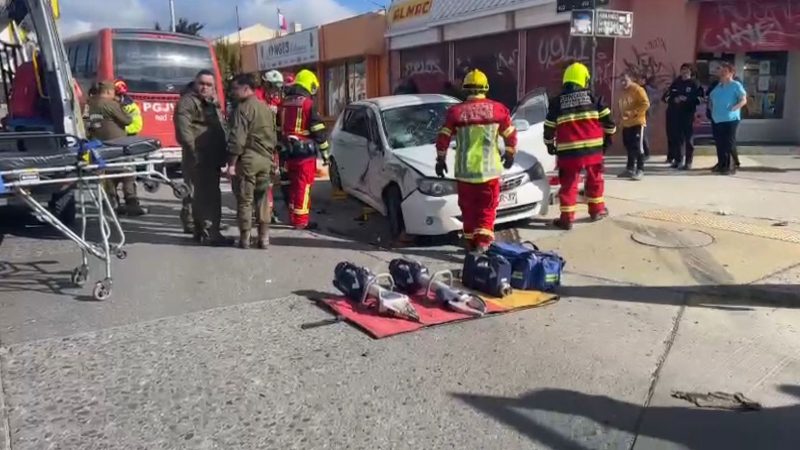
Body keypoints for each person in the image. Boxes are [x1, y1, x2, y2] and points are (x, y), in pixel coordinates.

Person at [435, 69, 517, 253]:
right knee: (487, 208)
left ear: (465, 89)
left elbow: (443, 137)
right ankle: (482, 242)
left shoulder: (455, 112)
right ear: (486, 88)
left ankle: (472, 242)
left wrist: (440, 159)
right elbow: (510, 134)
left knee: (468, 209)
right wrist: (510, 153)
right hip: (489, 172)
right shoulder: (498, 109)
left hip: (465, 172)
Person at [544, 62, 616, 230]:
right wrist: (608, 139)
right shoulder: (593, 98)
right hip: (593, 150)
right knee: (595, 179)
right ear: (584, 79)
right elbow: (610, 123)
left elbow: (549, 127)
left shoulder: (557, 102)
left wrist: (549, 144)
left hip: (568, 152)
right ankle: (596, 210)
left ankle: (567, 219)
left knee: (569, 184)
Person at [174, 69, 231, 245]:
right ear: (195, 83)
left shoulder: (211, 103)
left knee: (202, 194)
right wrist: (194, 153)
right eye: (202, 84)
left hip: (211, 155)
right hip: (199, 155)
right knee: (208, 195)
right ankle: (211, 233)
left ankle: (201, 230)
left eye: (209, 85)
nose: (205, 88)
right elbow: (184, 131)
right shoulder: (187, 102)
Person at [226, 74, 278, 249]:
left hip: (248, 158)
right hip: (265, 159)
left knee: (245, 199)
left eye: (235, 88)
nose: (233, 92)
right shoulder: (265, 108)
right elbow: (273, 135)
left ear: (246, 88)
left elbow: (237, 139)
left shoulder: (242, 109)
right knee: (262, 198)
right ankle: (264, 238)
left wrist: (232, 164)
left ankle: (245, 239)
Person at [278, 69, 329, 230]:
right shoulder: (308, 104)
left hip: (286, 151)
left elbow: (279, 127)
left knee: (292, 185)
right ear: (310, 85)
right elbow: (318, 130)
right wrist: (326, 153)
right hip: (304, 153)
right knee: (303, 186)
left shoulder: (284, 102)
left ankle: (294, 216)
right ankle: (301, 221)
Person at [105, 79, 146, 216]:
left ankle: (131, 203)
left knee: (128, 174)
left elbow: (137, 125)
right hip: (112, 143)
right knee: (109, 174)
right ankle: (112, 202)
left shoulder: (131, 107)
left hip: (126, 143)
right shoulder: (108, 105)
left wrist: (119, 130)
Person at [708, 62, 747, 175]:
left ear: (731, 73)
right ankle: (721, 164)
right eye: (722, 71)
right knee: (719, 142)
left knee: (728, 143)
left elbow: (743, 100)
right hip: (717, 118)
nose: (722, 73)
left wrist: (735, 107)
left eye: (725, 71)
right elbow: (711, 98)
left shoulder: (736, 85)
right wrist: (710, 107)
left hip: (730, 118)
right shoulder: (718, 86)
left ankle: (730, 166)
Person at [663, 64, 704, 170]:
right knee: (676, 138)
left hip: (687, 114)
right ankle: (678, 160)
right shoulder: (676, 83)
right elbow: (665, 97)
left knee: (688, 139)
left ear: (691, 72)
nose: (684, 73)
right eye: (682, 70)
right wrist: (674, 99)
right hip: (674, 114)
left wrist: (687, 99)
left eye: (686, 71)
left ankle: (688, 162)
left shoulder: (695, 83)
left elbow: (700, 99)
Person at [617, 73, 650, 180]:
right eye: (621, 81)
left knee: (638, 147)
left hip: (637, 123)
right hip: (627, 124)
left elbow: (646, 104)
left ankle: (640, 170)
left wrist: (633, 112)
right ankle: (630, 169)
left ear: (631, 80)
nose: (623, 83)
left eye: (625, 80)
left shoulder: (638, 90)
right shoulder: (623, 92)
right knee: (628, 146)